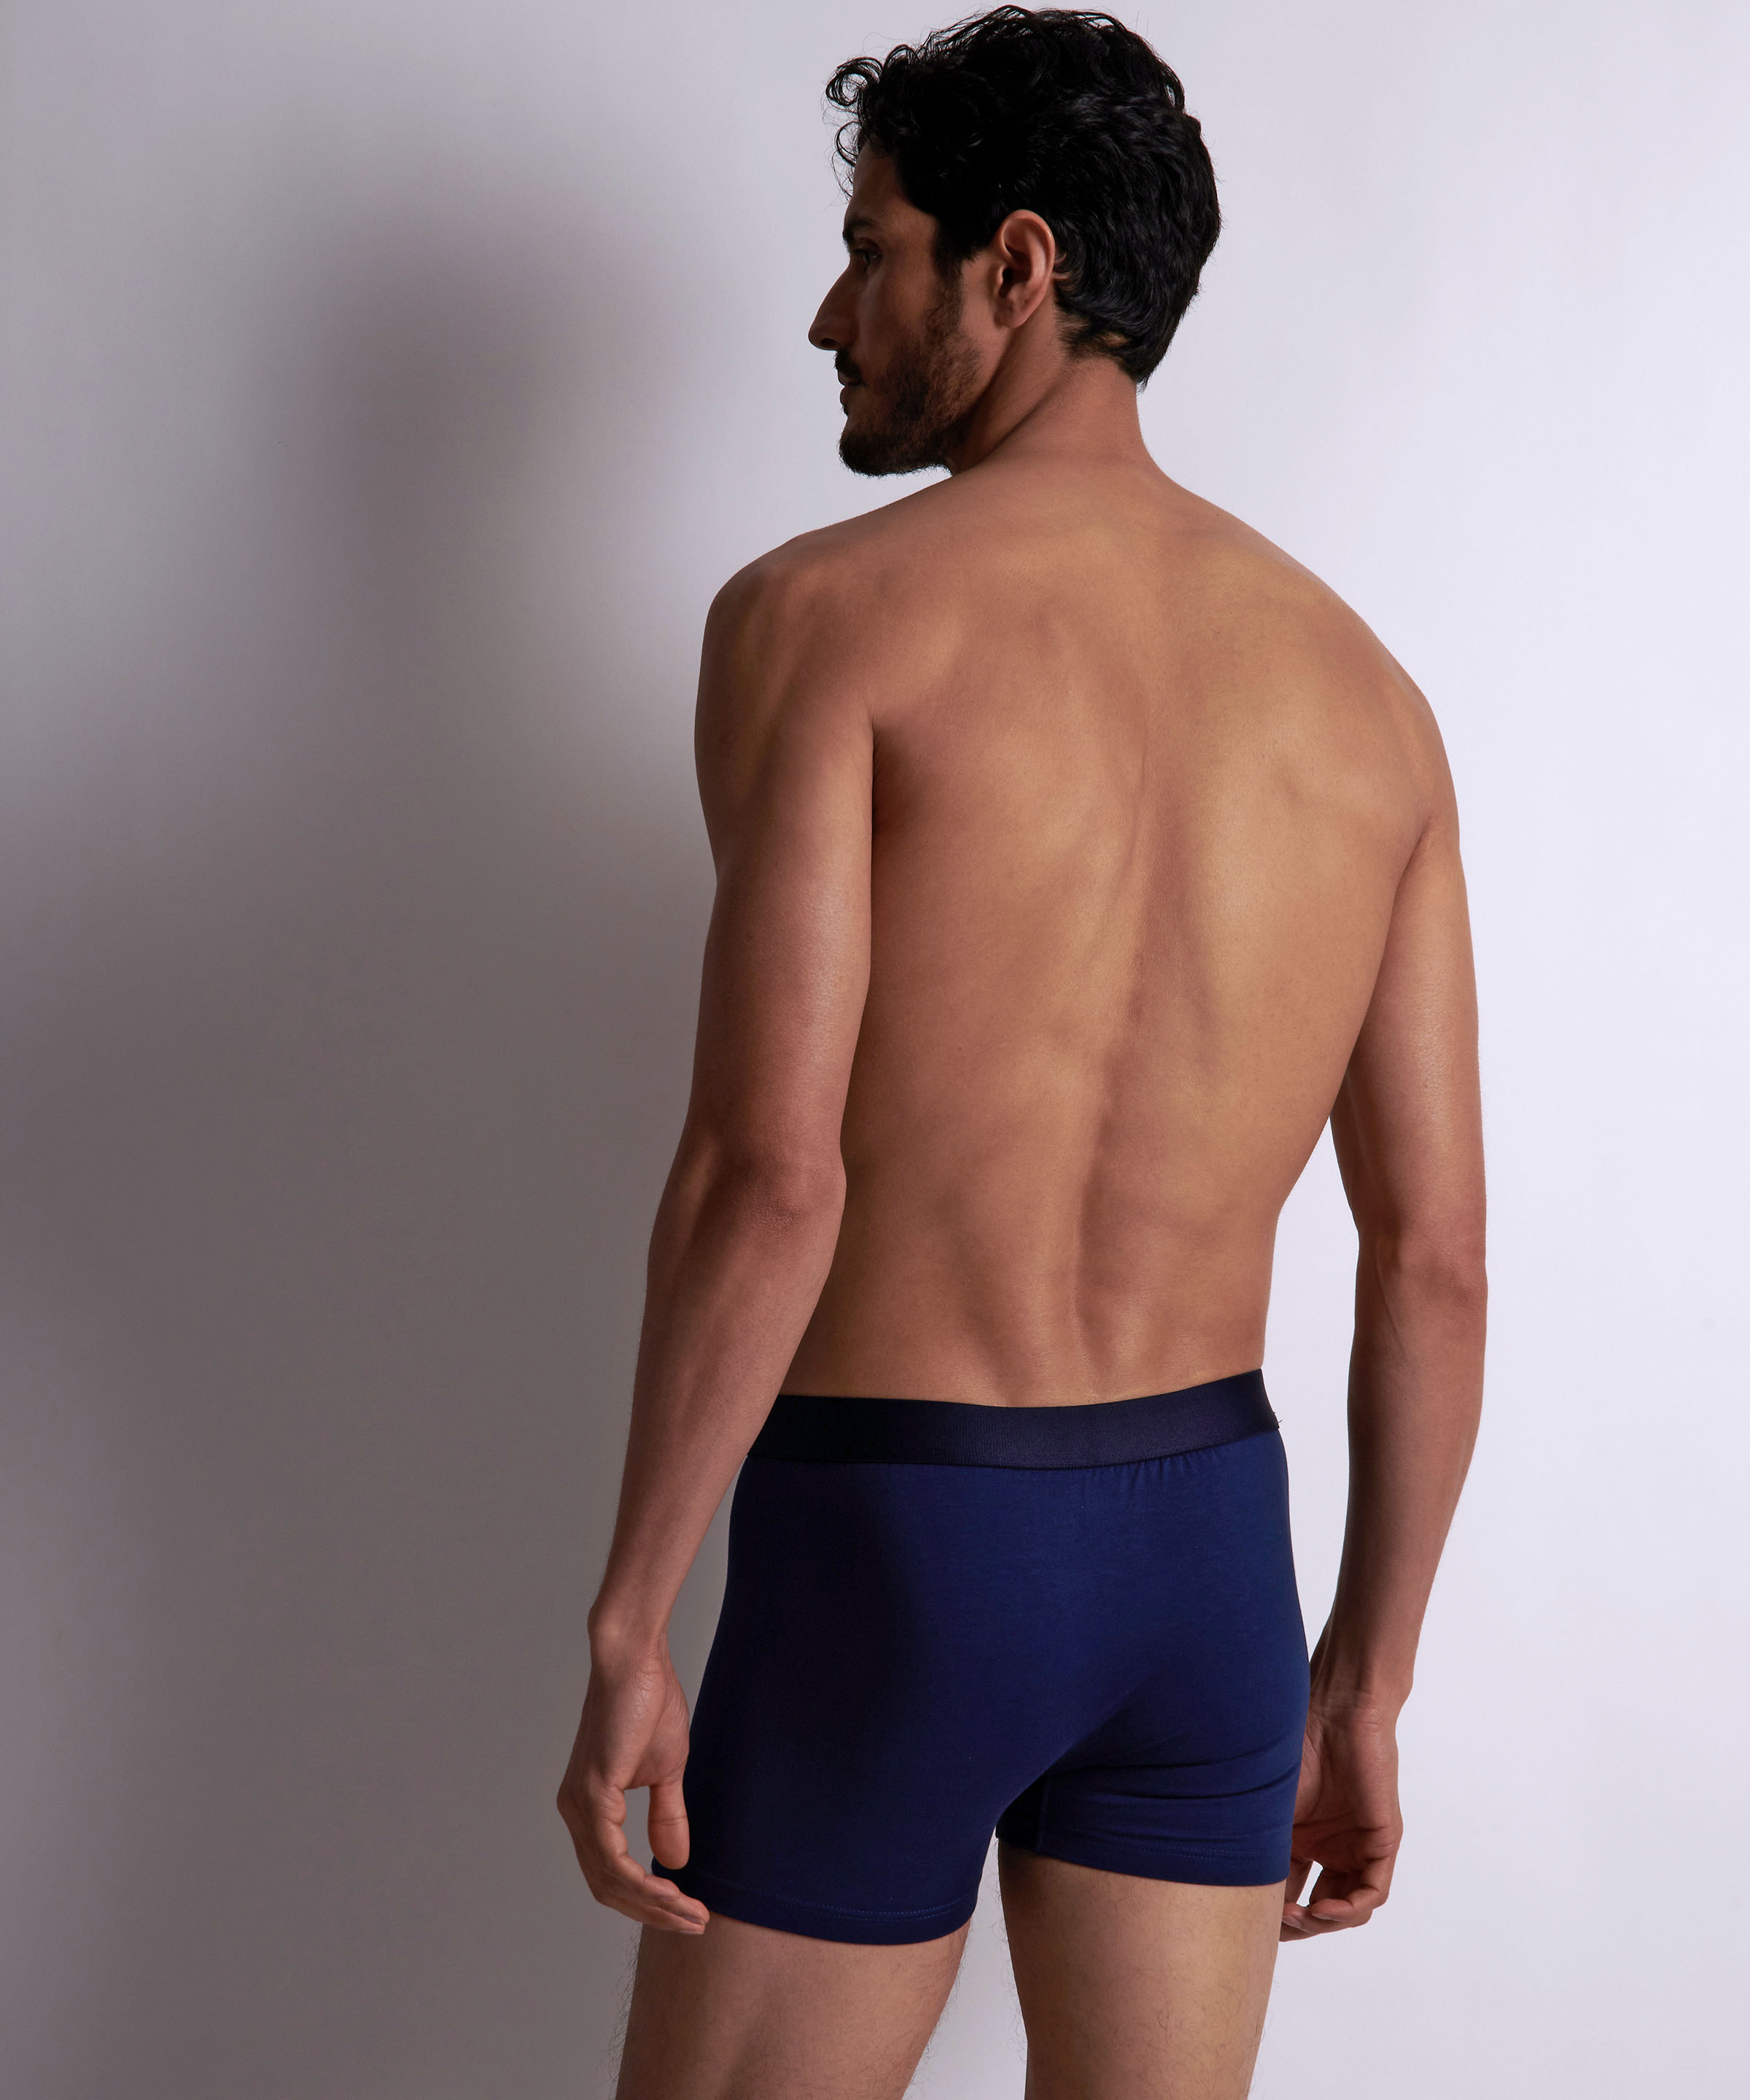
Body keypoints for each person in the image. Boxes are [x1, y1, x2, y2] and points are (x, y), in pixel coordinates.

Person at [557, 9, 1486, 2096]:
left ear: (1019, 264)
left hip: (900, 1535)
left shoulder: (822, 623)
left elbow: (772, 1173)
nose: (831, 315)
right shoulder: (1368, 701)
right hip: (1210, 1568)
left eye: (871, 249)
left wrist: (632, 1617)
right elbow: (1433, 1258)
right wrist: (1366, 1680)